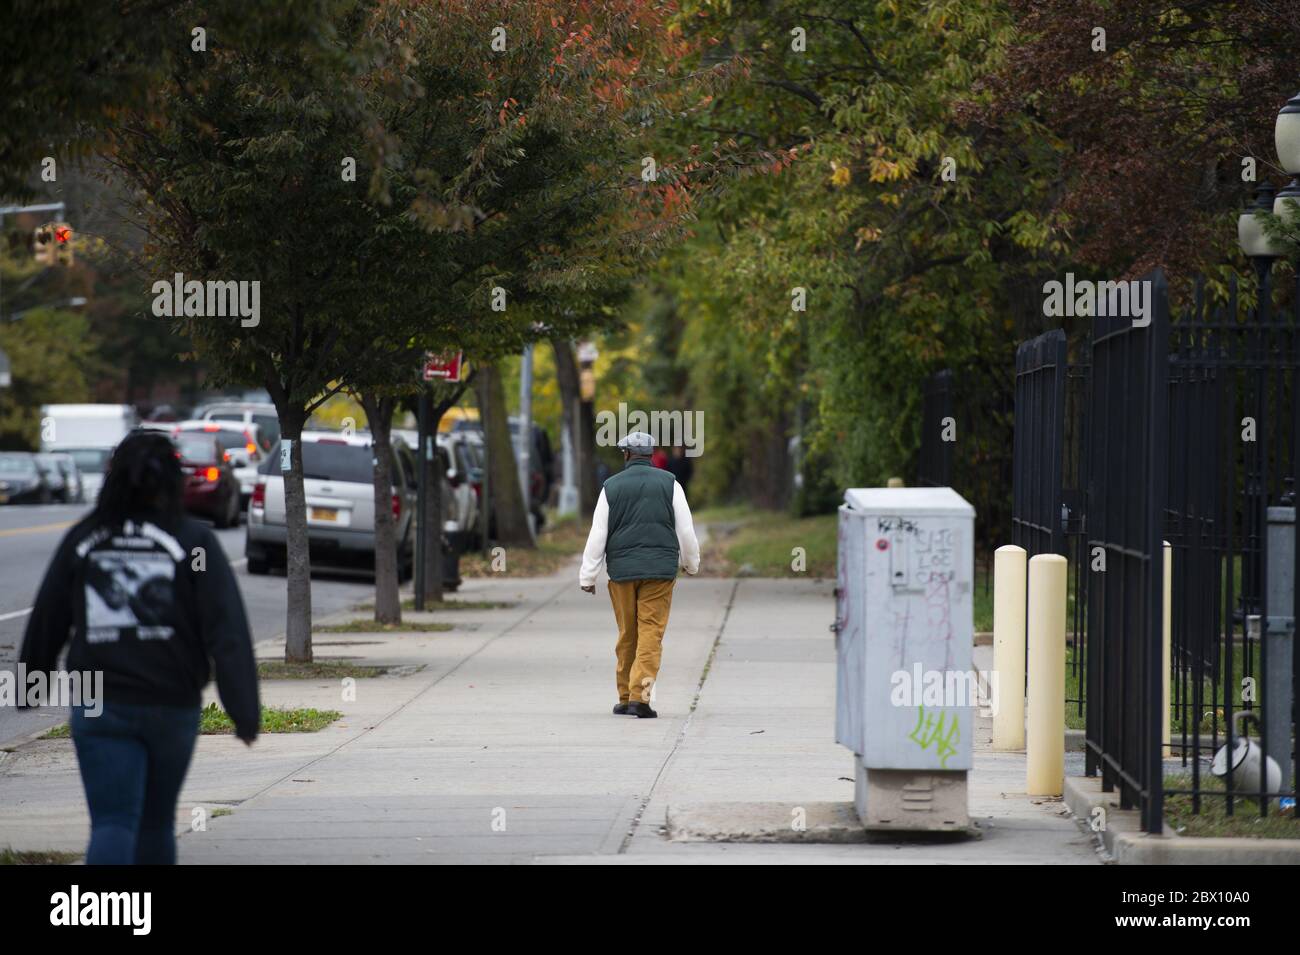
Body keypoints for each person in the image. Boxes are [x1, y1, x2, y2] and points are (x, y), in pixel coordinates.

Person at [19, 431, 259, 864]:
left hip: (99, 703)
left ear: (112, 478)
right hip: (171, 702)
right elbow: (227, 630)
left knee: (113, 822)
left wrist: (29, 686)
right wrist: (243, 711)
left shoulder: (84, 538)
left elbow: (48, 617)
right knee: (155, 824)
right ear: (172, 480)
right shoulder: (193, 542)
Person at [579, 431, 700, 718]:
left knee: (627, 634)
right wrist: (691, 563)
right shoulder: (671, 484)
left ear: (626, 455)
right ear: (650, 454)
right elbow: (685, 530)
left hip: (622, 573)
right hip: (659, 572)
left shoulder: (611, 486)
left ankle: (625, 696)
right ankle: (640, 697)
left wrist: (588, 575)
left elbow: (598, 533)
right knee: (651, 632)